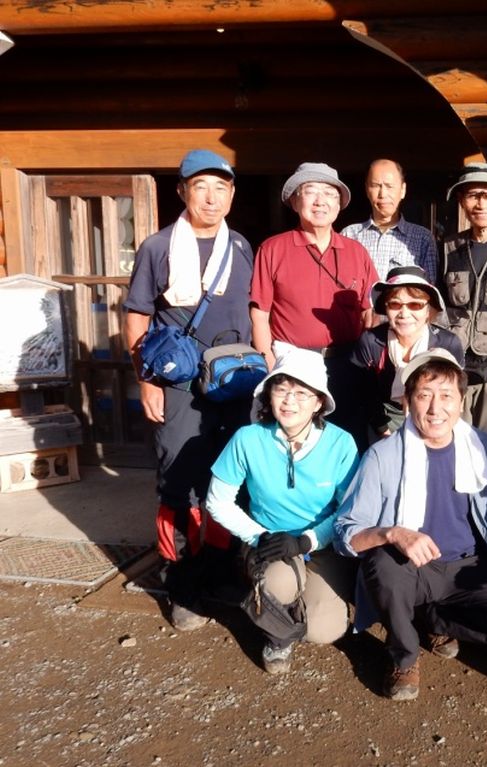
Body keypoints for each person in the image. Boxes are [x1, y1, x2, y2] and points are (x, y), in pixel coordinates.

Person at [334, 349, 487, 702]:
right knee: (382, 566)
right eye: (424, 395)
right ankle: (404, 653)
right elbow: (345, 532)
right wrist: (394, 533)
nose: (435, 408)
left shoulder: (483, 447)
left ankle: (434, 619)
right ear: (407, 402)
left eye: (446, 396)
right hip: (412, 567)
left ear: (461, 401)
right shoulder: (382, 456)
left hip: (469, 564)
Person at [123, 149, 254, 631]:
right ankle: (181, 581)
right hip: (177, 382)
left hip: (233, 382)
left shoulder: (240, 247)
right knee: (179, 480)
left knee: (228, 478)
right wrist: (146, 381)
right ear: (182, 191)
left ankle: (221, 573)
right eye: (201, 186)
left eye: (221, 188)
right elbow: (137, 315)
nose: (212, 197)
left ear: (232, 194)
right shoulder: (158, 247)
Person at [205, 348, 359, 673]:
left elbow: (350, 510)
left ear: (319, 402)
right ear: (269, 395)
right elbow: (216, 501)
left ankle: (299, 602)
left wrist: (307, 541)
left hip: (320, 546)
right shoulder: (247, 439)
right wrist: (258, 536)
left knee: (325, 630)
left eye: (302, 392)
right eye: (281, 389)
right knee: (278, 583)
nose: (290, 401)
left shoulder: (341, 444)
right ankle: (277, 634)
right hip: (268, 544)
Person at [249, 162, 378, 451]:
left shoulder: (356, 251)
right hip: (292, 362)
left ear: (339, 204)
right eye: (311, 192)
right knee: (292, 443)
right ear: (295, 201)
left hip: (347, 362)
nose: (320, 201)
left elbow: (371, 311)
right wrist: (269, 365)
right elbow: (260, 315)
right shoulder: (273, 248)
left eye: (329, 193)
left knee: (348, 439)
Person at [438, 162, 487, 453]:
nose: (481, 204)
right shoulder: (448, 249)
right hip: (455, 358)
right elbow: (439, 303)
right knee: (454, 436)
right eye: (473, 195)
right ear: (462, 201)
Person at [350, 265, 464, 441]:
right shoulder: (371, 342)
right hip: (384, 416)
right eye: (395, 304)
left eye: (415, 305)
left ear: (428, 310)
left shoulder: (448, 343)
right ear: (386, 308)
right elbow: (363, 395)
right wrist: (383, 430)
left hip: (434, 414)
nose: (404, 313)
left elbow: (453, 394)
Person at [341, 158, 439, 285]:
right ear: (367, 190)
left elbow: (429, 290)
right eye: (376, 186)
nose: (383, 194)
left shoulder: (423, 238)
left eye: (389, 186)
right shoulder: (349, 235)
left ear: (403, 190)